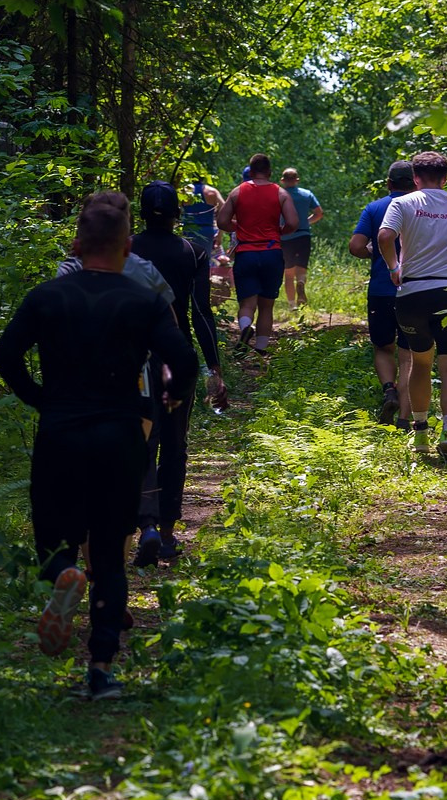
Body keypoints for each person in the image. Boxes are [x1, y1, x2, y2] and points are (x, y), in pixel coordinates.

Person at [0, 190, 197, 700]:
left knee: (56, 535)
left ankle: (63, 573)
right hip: (120, 433)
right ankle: (101, 668)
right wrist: (169, 398)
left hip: (61, 428)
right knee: (108, 549)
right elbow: (183, 359)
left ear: (79, 243)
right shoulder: (143, 300)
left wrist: (40, 399)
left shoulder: (47, 296)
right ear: (127, 246)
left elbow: (5, 355)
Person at [131, 178, 227, 565]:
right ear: (177, 214)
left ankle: (146, 525)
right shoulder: (193, 252)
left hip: (133, 361)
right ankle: (168, 533)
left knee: (140, 443)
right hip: (177, 358)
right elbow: (201, 313)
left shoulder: (126, 251)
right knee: (174, 443)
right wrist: (214, 367)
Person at [377, 148, 447, 466]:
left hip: (413, 292)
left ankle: (421, 431)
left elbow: (385, 236)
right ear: (446, 177)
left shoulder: (403, 202)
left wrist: (393, 267)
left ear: (415, 178)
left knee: (421, 363)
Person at [349, 159, 415, 426]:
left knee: (383, 347)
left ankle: (389, 389)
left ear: (389, 183)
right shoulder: (421, 207)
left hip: (380, 289)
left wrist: (375, 254)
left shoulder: (375, 208)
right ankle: (404, 418)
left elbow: (355, 246)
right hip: (413, 290)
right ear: (415, 183)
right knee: (409, 354)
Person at [218, 155, 292, 352]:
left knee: (247, 303)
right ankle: (260, 349)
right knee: (266, 306)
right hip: (271, 253)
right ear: (269, 172)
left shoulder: (237, 192)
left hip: (246, 253)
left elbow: (221, 222)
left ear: (250, 172)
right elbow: (293, 223)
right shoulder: (281, 193)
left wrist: (238, 226)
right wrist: (278, 233)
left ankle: (245, 328)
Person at [278, 166, 323, 315]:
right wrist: (305, 222)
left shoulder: (279, 195)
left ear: (283, 180)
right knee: (301, 267)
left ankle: (292, 305)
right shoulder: (306, 194)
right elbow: (319, 213)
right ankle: (302, 282)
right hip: (303, 234)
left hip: (286, 237)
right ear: (297, 180)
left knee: (288, 273)